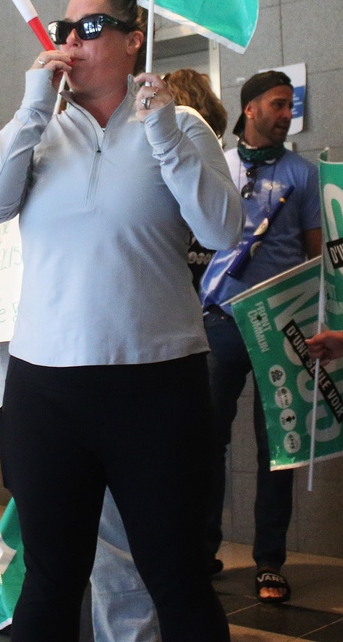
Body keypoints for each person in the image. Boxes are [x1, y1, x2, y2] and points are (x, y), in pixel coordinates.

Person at [0, 0, 243, 641]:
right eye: (66, 27)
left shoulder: (179, 127)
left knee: (175, 575)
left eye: (92, 26)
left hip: (156, 385)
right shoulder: (41, 132)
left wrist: (163, 131)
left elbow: (222, 229)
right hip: (46, 390)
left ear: (132, 38)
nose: (73, 39)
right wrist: (33, 105)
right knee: (52, 580)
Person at [90, 66, 231, 642]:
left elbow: (221, 230)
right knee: (137, 545)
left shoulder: (187, 157)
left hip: (155, 362)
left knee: (146, 548)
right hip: (117, 363)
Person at [197, 70, 322, 604]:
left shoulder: (304, 174)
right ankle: (201, 549)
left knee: (279, 449)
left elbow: (316, 252)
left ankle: (269, 560)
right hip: (219, 322)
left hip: (283, 326)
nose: (285, 113)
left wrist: (319, 319)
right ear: (248, 109)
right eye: (276, 104)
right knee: (205, 444)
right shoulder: (217, 166)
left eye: (289, 105)